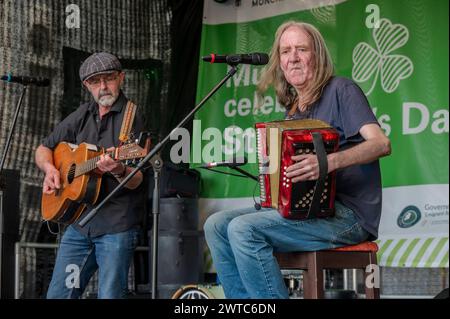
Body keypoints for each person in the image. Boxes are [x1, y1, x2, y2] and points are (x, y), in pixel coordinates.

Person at [203, 21, 391, 299]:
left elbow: (381, 143)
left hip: (348, 216)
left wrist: (326, 162)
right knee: (216, 225)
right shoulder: (294, 110)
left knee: (244, 229)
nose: (293, 58)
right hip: (308, 212)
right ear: (279, 61)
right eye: (285, 51)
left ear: (317, 54)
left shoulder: (341, 89)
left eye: (301, 49)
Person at [35, 52, 147, 299]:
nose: (103, 87)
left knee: (109, 295)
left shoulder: (132, 118)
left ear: (121, 78)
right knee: (59, 295)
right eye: (95, 82)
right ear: (87, 86)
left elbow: (138, 178)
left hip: (116, 226)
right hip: (79, 223)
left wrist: (118, 169)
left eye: (109, 79)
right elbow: (44, 148)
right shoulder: (83, 114)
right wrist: (51, 170)